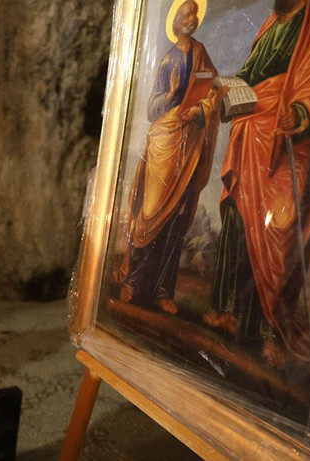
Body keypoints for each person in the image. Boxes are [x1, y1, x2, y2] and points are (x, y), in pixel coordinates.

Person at [205, 0, 310, 368]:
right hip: (250, 133)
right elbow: (250, 74)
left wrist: (300, 112)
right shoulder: (271, 23)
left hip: (287, 140)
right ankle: (227, 311)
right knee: (237, 217)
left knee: (277, 232)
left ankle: (268, 332)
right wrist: (227, 88)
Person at [117, 0, 225, 314]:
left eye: (194, 14)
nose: (191, 19)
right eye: (185, 15)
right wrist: (175, 99)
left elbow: (213, 90)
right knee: (149, 215)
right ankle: (135, 282)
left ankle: (163, 290)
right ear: (176, 22)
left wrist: (203, 106)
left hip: (189, 146)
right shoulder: (167, 60)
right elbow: (152, 109)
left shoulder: (202, 54)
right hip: (164, 143)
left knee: (177, 217)